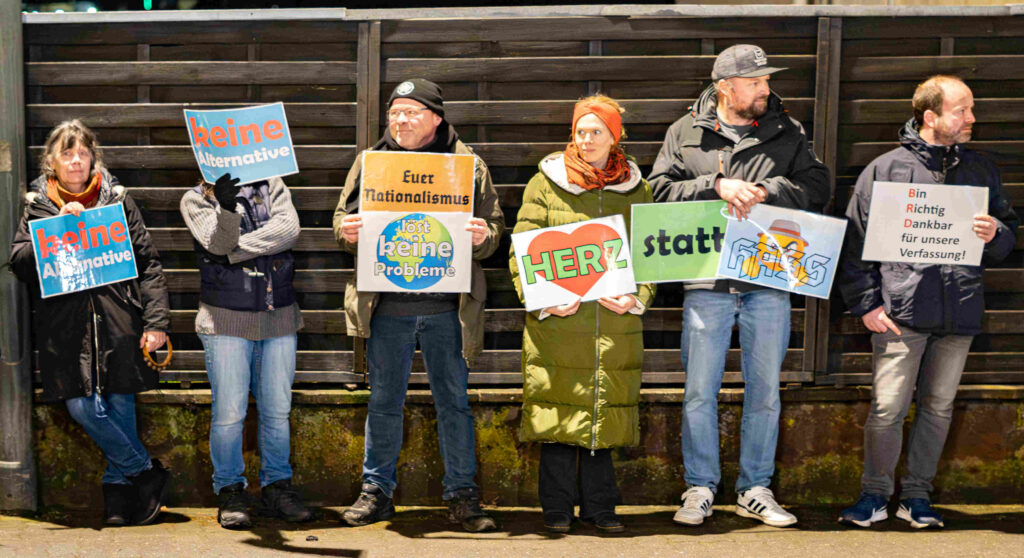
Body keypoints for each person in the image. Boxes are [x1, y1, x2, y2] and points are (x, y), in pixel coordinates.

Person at [649, 44, 831, 527]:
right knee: (698, 392)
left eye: (765, 81)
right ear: (725, 87)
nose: (765, 90)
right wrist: (715, 184)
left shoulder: (786, 129)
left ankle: (755, 488)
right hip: (705, 280)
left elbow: (818, 187)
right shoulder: (684, 132)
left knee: (766, 391)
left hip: (768, 279)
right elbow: (658, 191)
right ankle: (699, 487)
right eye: (754, 82)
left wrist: (770, 190)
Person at [837, 75, 1018, 529]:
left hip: (959, 312)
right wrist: (866, 305)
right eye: (962, 110)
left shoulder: (981, 170)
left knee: (938, 408)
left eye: (971, 109)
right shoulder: (884, 170)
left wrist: (997, 233)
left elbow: (1009, 238)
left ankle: (917, 496)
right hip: (901, 314)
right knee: (888, 409)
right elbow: (854, 245)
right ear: (930, 116)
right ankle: (874, 495)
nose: (972, 118)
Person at [333, 78, 504, 532]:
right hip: (387, 309)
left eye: (410, 111)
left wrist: (486, 237)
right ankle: (376, 493)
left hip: (448, 309)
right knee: (383, 404)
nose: (399, 119)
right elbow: (340, 220)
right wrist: (345, 231)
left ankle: (463, 496)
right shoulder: (371, 164)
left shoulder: (467, 164)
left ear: (435, 118)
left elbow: (495, 230)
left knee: (454, 405)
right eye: (394, 112)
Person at [8, 120, 171, 526]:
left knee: (120, 405)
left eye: (82, 153)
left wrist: (156, 321)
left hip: (119, 323)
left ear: (93, 157)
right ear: (52, 162)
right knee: (82, 407)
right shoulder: (38, 205)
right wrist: (57, 228)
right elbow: (20, 263)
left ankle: (120, 498)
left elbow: (148, 263)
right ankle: (146, 473)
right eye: (67, 153)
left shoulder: (115, 200)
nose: (76, 161)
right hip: (67, 330)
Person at [509, 95, 655, 534]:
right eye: (580, 130)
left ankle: (601, 508)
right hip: (559, 320)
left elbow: (650, 254)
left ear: (616, 137)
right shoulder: (545, 183)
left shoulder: (637, 188)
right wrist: (540, 299)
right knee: (556, 412)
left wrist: (638, 298)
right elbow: (524, 247)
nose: (586, 139)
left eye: (597, 131)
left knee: (604, 409)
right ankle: (555, 509)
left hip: (615, 321)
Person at [180, 172, 313, 529]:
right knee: (229, 413)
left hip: (280, 317)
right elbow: (217, 243)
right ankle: (229, 489)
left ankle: (276, 486)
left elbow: (290, 229)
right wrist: (226, 209)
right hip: (224, 321)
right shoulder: (195, 198)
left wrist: (236, 249)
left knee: (277, 411)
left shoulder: (273, 185)